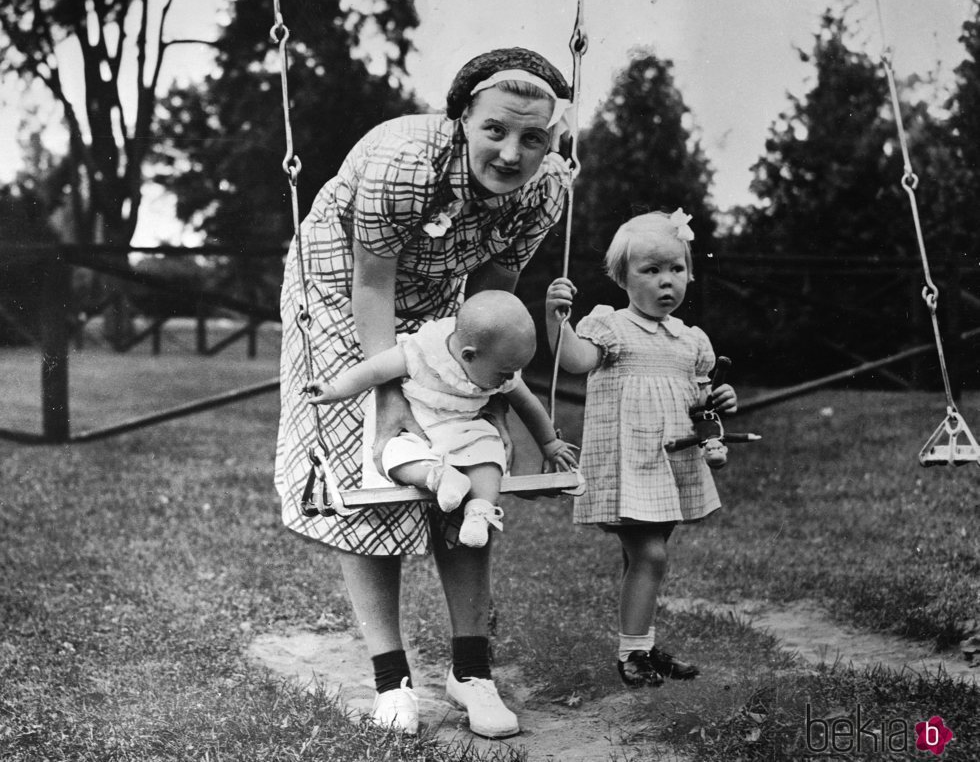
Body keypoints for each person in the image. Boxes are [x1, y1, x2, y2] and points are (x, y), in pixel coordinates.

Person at [275, 47, 573, 737]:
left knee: (468, 469)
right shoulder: (402, 160)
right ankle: (392, 678)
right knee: (376, 469)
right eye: (494, 129)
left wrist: (481, 390)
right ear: (461, 117)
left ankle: (471, 671)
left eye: (533, 138)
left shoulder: (546, 189)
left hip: (445, 301)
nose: (510, 152)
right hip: (341, 286)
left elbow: (494, 295)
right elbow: (372, 286)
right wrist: (390, 400)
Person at [544, 209, 738, 688]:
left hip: (670, 464)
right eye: (650, 271)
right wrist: (556, 319)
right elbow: (572, 360)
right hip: (628, 464)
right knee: (650, 556)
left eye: (675, 269)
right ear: (622, 278)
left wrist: (717, 403)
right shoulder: (612, 327)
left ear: (689, 272)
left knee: (646, 556)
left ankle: (643, 646)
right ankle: (631, 653)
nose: (665, 281)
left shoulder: (690, 341)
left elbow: (698, 403)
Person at [305, 290, 578, 547]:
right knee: (394, 455)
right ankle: (440, 478)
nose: (509, 380)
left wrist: (550, 443)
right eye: (505, 374)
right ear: (468, 356)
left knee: (490, 456)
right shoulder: (422, 351)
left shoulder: (497, 363)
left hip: (468, 428)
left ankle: (479, 511)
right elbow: (374, 371)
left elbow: (527, 403)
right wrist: (334, 390)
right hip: (419, 430)